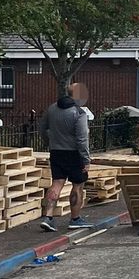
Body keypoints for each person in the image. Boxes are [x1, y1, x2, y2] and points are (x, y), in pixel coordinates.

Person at [38, 83, 93, 232]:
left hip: (56, 151)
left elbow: (42, 128)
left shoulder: (52, 108)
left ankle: (48, 217)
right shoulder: (79, 113)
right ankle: (75, 219)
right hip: (74, 154)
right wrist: (86, 160)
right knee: (77, 185)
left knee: (57, 183)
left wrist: (49, 143)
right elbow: (82, 139)